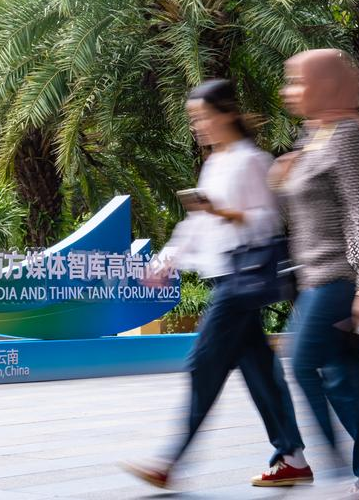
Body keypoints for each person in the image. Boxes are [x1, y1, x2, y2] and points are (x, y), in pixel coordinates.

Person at [124, 79, 312, 489]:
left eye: (203, 117)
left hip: (241, 277)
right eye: (194, 120)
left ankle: (168, 461)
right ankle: (293, 456)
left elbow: (267, 221)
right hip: (226, 278)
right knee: (259, 369)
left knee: (203, 364)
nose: (198, 126)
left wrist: (224, 212)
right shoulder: (215, 162)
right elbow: (196, 223)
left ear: (227, 113)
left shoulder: (252, 160)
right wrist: (164, 262)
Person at [275, 49, 359, 499]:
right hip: (315, 278)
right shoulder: (316, 135)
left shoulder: (348, 133)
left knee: (310, 362)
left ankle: (353, 465)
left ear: (328, 84)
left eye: (298, 81)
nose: (288, 91)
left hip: (342, 277)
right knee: (343, 371)